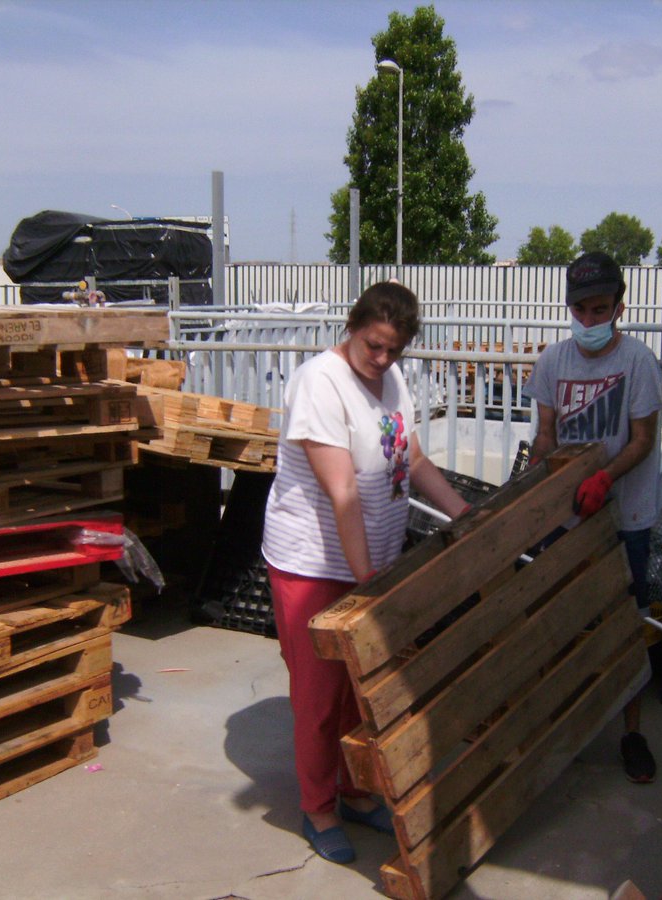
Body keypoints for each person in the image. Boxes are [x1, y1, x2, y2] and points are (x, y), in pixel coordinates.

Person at [261, 281, 471, 864]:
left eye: (393, 349)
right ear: (352, 327)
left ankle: (353, 790)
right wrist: (366, 581)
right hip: (315, 564)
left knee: (362, 690)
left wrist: (464, 513)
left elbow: (413, 458)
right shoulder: (320, 384)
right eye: (373, 345)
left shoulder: (392, 379)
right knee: (319, 697)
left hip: (372, 560)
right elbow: (343, 491)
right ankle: (317, 807)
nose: (381, 358)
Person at [524, 251, 662, 784]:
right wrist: (537, 473)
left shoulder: (638, 362)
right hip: (566, 516)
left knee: (626, 624)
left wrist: (605, 477)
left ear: (619, 308)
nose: (588, 320)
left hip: (624, 516)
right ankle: (565, 724)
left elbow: (643, 440)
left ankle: (632, 732)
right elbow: (546, 432)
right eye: (580, 310)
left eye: (599, 309)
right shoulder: (553, 362)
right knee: (561, 619)